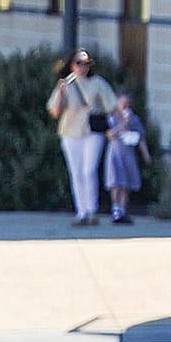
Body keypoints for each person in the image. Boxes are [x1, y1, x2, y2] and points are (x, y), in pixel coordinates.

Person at [47, 49, 116, 226]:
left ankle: (92, 211)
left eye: (86, 64)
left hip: (93, 131)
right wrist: (61, 92)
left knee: (89, 170)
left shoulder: (98, 83)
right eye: (79, 63)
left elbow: (112, 106)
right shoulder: (65, 85)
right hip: (70, 132)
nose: (82, 67)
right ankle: (81, 212)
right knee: (76, 173)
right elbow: (54, 111)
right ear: (71, 65)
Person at [104, 92, 148, 224]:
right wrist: (123, 124)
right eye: (122, 103)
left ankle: (123, 210)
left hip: (128, 153)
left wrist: (146, 154)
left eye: (127, 104)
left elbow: (140, 137)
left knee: (126, 184)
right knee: (116, 182)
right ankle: (115, 209)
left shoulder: (134, 119)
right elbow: (110, 134)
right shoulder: (112, 118)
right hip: (115, 153)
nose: (125, 106)